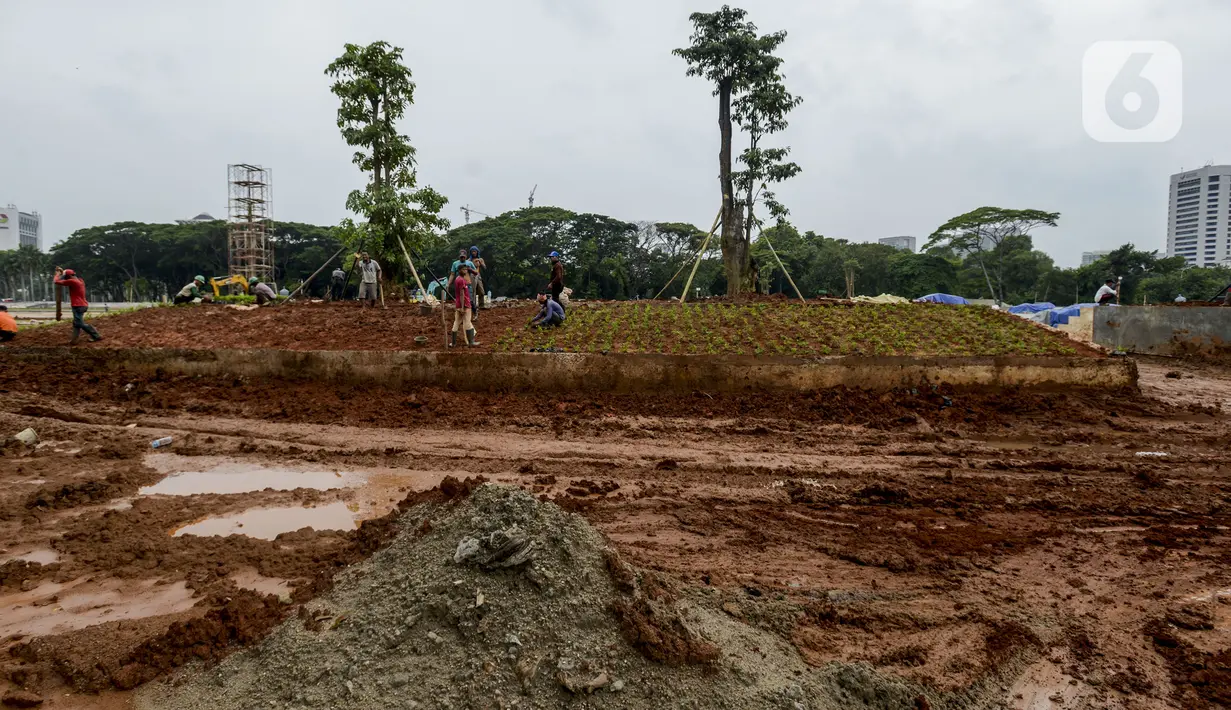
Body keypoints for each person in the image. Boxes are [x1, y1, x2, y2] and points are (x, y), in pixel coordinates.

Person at [53, 267, 102, 344]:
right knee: (76, 323)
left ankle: (96, 335)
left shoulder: (73, 282)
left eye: (66, 277)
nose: (65, 279)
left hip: (78, 306)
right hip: (82, 305)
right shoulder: (80, 280)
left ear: (68, 277)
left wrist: (57, 274)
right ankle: (74, 340)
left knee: (79, 323)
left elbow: (56, 281)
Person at [450, 264, 480, 348]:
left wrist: (460, 306)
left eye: (466, 269)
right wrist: (463, 307)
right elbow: (462, 294)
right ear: (459, 271)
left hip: (458, 304)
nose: (465, 271)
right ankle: (471, 342)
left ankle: (453, 343)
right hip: (465, 305)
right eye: (463, 269)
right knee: (468, 323)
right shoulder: (462, 281)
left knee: (456, 323)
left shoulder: (457, 279)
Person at [468, 246, 487, 320]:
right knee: (473, 291)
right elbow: (467, 269)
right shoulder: (469, 260)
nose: (474, 253)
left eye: (475, 251)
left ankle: (481, 305)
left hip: (478, 275)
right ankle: (474, 306)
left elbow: (485, 268)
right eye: (472, 251)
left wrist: (481, 263)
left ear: (477, 252)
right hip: (472, 276)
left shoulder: (480, 259)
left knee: (481, 291)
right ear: (471, 253)